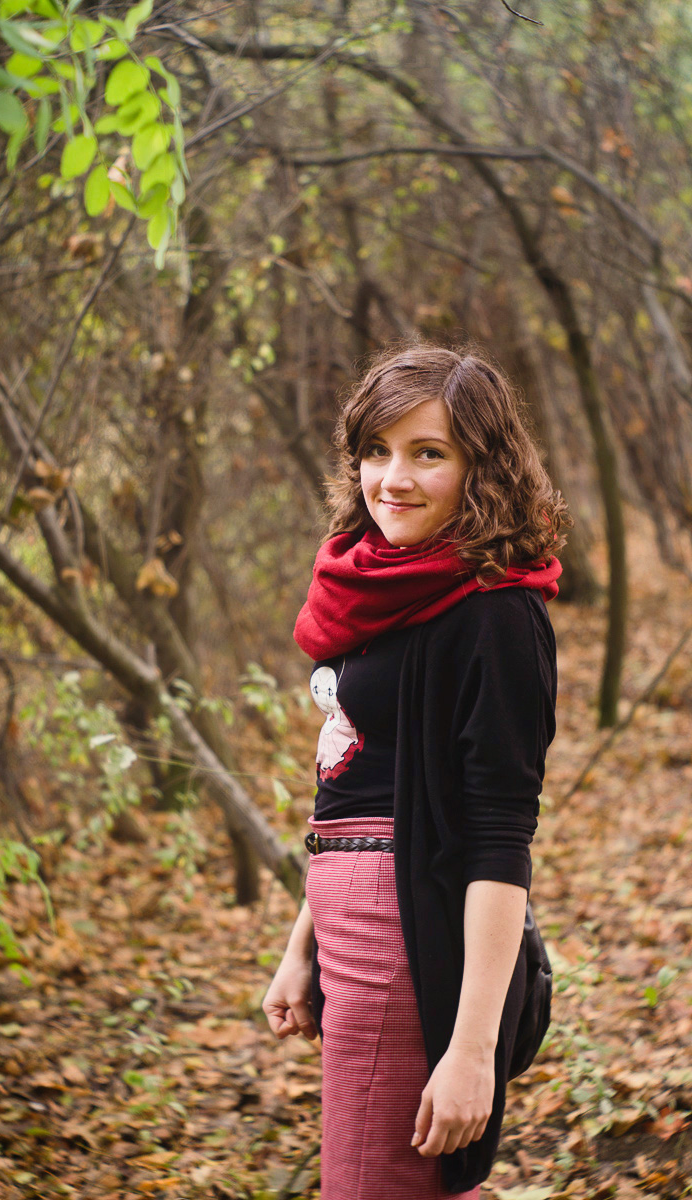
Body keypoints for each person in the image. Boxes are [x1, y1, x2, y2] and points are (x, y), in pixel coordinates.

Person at [262, 343, 569, 1200]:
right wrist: (303, 946)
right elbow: (363, 783)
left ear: (482, 468)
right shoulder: (386, 588)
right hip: (351, 923)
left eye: (428, 453)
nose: (392, 479)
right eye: (376, 450)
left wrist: (472, 1050)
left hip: (404, 933)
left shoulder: (495, 614)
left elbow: (498, 841)